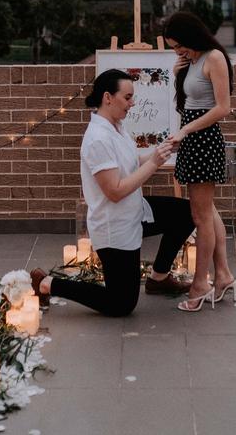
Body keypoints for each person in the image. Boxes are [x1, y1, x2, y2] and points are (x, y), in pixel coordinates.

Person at [30, 69, 194, 317]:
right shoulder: (97, 139)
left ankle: (158, 278)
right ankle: (48, 284)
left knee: (187, 213)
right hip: (114, 225)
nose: (132, 103)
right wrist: (154, 164)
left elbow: (131, 162)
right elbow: (115, 192)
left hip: (135, 210)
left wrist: (163, 149)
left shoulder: (116, 127)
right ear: (108, 97)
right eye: (127, 97)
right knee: (121, 304)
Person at [163, 11, 236, 312]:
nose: (176, 50)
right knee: (207, 211)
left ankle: (200, 283)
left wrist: (186, 129)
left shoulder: (214, 57)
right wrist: (177, 70)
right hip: (194, 137)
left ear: (192, 36)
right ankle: (223, 276)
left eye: (178, 44)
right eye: (172, 47)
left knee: (200, 216)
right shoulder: (190, 61)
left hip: (203, 139)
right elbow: (190, 101)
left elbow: (223, 108)